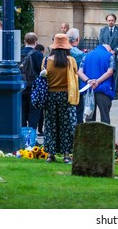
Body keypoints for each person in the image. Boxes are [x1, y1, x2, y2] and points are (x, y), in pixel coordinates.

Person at [43, 33, 78, 164]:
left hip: (50, 96)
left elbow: (43, 78)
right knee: (67, 125)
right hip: (66, 96)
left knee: (51, 124)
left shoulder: (46, 61)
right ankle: (66, 155)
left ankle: (50, 154)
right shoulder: (71, 61)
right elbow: (75, 77)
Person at [78, 42, 115, 124]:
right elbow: (110, 72)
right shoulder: (109, 56)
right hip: (103, 90)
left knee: (89, 117)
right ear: (108, 49)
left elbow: (80, 72)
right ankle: (105, 136)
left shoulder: (86, 55)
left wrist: (89, 81)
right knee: (105, 117)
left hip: (88, 89)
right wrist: (97, 81)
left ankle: (89, 136)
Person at [20, 32, 44, 130]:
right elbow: (41, 71)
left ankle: (22, 136)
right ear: (35, 42)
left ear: (25, 41)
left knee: (22, 112)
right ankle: (31, 137)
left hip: (21, 87)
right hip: (34, 87)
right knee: (34, 113)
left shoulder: (19, 53)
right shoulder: (38, 54)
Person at [99, 13, 118, 99]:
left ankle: (115, 92)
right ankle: (107, 91)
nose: (110, 22)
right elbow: (101, 42)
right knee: (106, 74)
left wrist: (114, 51)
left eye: (112, 20)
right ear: (107, 21)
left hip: (115, 56)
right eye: (109, 20)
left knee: (116, 75)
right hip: (106, 56)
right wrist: (108, 50)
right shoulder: (103, 30)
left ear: (115, 21)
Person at [67, 28, 86, 124]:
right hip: (77, 84)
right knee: (78, 110)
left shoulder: (60, 52)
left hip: (64, 85)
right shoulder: (81, 54)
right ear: (77, 39)